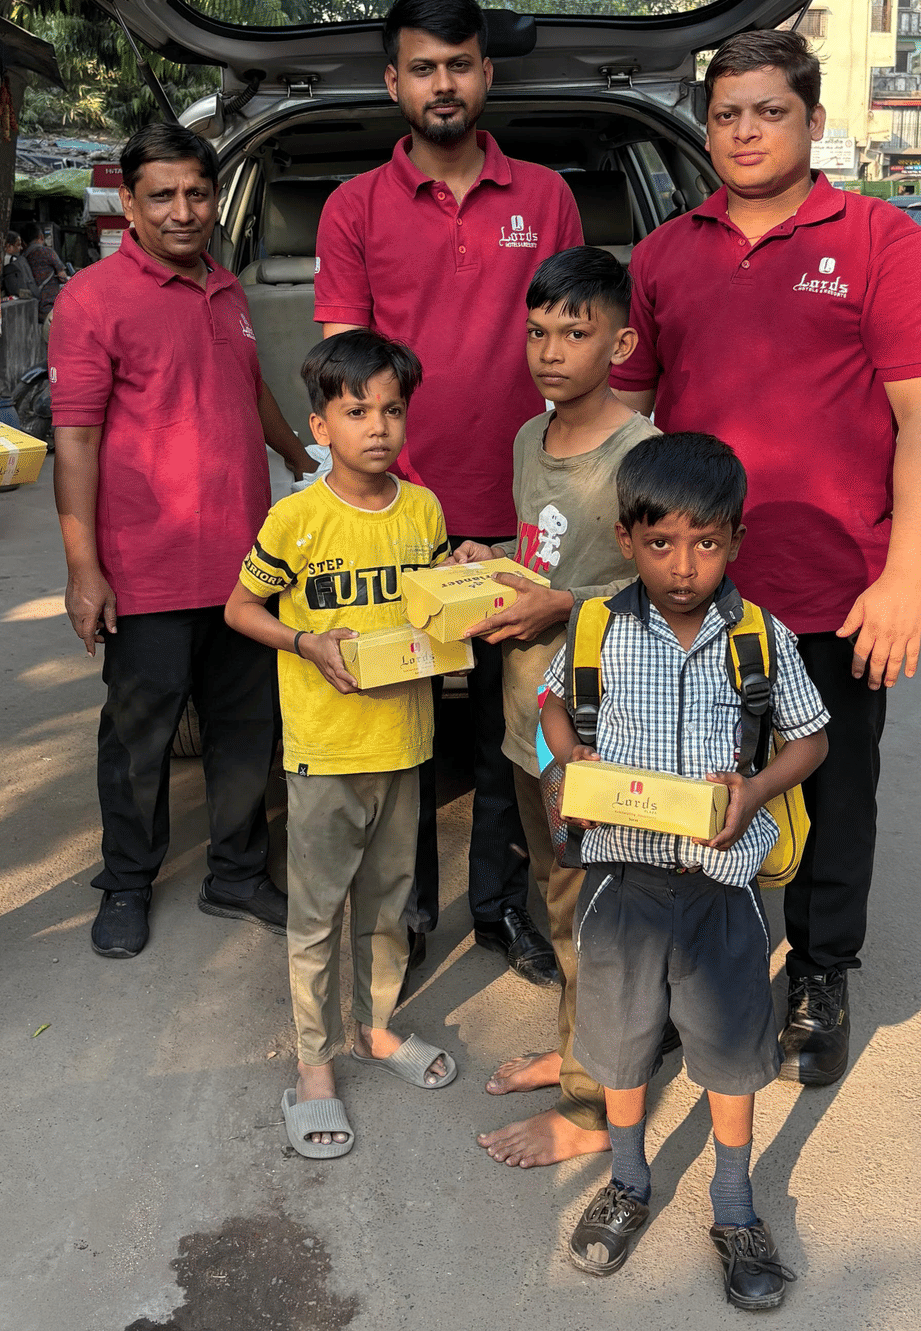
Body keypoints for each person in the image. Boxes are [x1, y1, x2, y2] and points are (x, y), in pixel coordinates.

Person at [612, 29, 921, 1088]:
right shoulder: (666, 254)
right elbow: (624, 421)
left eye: (769, 110)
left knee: (835, 787)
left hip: (833, 589)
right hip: (691, 593)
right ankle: (690, 972)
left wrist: (905, 578)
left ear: (812, 121)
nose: (746, 130)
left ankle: (818, 971)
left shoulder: (876, 240)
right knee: (686, 779)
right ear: (705, 127)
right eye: (727, 114)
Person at [315, 0, 585, 985]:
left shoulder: (546, 197)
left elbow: (575, 352)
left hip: (525, 515)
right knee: (406, 730)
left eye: (459, 63)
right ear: (394, 81)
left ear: (485, 74)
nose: (442, 83)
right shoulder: (355, 207)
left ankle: (500, 909)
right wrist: (395, 491)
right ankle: (409, 905)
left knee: (512, 732)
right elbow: (346, 371)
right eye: (422, 66)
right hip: (403, 515)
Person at [539, 433, 829, 1302]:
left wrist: (756, 787)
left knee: (733, 1054)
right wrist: (565, 771)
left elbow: (812, 738)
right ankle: (628, 1184)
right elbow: (557, 706)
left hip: (723, 893)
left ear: (735, 542)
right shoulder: (596, 627)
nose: (684, 566)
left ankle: (734, 1203)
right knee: (622, 1052)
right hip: (621, 889)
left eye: (706, 543)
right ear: (626, 540)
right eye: (661, 543)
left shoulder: (761, 639)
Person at [47, 122, 317, 958]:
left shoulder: (227, 290)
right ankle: (126, 880)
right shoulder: (91, 300)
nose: (182, 210)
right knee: (140, 739)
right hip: (147, 569)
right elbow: (78, 440)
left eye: (197, 193)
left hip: (244, 571)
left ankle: (236, 873)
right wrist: (83, 568)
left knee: (246, 733)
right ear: (128, 202)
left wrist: (301, 456)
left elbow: (249, 391)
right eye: (161, 195)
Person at [446, 247, 657, 1170]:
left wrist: (561, 605)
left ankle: (592, 1106)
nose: (551, 350)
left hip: (598, 732)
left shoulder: (642, 453)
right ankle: (579, 1054)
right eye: (537, 331)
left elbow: (669, 589)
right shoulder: (532, 441)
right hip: (528, 722)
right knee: (562, 903)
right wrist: (488, 559)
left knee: (599, 917)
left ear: (622, 340)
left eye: (576, 332)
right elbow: (550, 554)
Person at [226, 331, 458, 1156]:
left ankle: (377, 1029)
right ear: (319, 427)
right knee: (318, 914)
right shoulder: (297, 519)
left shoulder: (424, 510)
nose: (378, 428)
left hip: (406, 741)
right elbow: (241, 610)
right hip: (325, 750)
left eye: (393, 410)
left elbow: (437, 605)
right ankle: (315, 1064)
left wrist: (467, 581)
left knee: (389, 908)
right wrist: (305, 643)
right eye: (356, 411)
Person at [0, 231, 37, 300]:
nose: (21, 248)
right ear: (8, 246)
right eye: (18, 245)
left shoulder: (16, 261)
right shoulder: (16, 262)